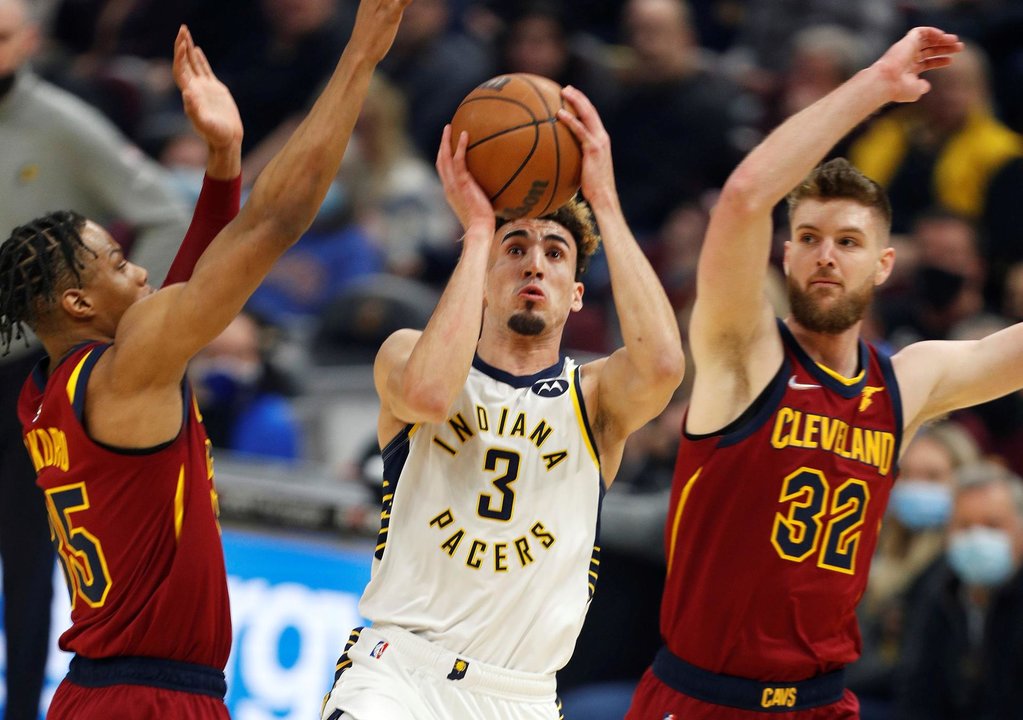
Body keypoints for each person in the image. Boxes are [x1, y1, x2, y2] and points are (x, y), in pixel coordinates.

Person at [0, 0, 409, 716]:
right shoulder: (127, 370)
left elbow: (192, 279)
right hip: (149, 697)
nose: (141, 275)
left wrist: (223, 162)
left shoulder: (44, 391)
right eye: (119, 262)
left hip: (97, 691)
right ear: (76, 304)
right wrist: (358, 60)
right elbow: (276, 223)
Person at [619, 25, 1023, 720]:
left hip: (823, 703)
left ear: (884, 264)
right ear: (784, 256)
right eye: (806, 239)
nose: (824, 257)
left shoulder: (904, 382)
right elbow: (745, 194)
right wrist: (876, 86)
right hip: (704, 698)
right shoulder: (743, 355)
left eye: (846, 242)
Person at [319, 84, 685, 720]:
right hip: (398, 674)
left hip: (521, 695)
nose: (534, 265)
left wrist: (604, 199)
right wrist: (482, 227)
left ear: (576, 294)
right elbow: (430, 394)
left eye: (555, 253)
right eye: (515, 251)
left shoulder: (595, 397)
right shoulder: (408, 353)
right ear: (483, 277)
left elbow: (662, 365)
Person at [0, 1, 193, 717]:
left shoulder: (63, 125)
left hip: (25, 367)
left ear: (31, 41)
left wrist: (126, 320)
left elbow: (168, 212)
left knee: (26, 561)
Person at [894, 460, 1023, 719]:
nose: (977, 537)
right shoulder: (938, 589)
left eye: (993, 525)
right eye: (964, 526)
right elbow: (917, 690)